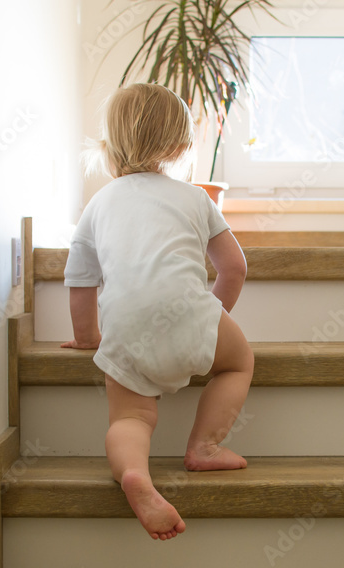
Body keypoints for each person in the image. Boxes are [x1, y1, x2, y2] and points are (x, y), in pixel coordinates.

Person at [60, 83, 254, 541]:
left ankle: (135, 474)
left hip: (127, 329)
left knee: (130, 418)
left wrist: (87, 337)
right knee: (239, 363)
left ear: (110, 145)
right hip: (191, 316)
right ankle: (204, 446)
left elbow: (80, 280)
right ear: (183, 146)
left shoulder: (99, 203)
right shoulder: (196, 198)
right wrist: (211, 319)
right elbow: (235, 268)